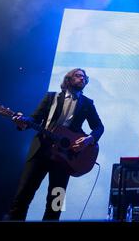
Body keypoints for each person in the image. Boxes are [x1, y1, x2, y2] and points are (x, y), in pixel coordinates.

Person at [7, 68, 104, 221]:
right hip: (40, 152)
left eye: (85, 78)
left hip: (65, 159)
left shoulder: (87, 103)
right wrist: (22, 122)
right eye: (78, 76)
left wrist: (88, 140)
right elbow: (34, 119)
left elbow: (99, 127)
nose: (82, 79)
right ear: (68, 79)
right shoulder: (51, 97)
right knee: (22, 196)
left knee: (56, 203)